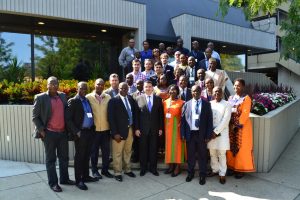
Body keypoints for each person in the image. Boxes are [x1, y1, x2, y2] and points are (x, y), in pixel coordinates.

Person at [32, 76, 75, 192]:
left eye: (56, 84)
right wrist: (42, 131)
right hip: (49, 134)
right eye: (51, 83)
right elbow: (35, 117)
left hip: (62, 133)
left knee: (64, 158)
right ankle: (53, 183)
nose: (54, 86)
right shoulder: (40, 98)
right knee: (51, 160)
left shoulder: (62, 96)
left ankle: (64, 179)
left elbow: (66, 112)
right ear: (47, 85)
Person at [66, 82, 98, 191]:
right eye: (82, 88)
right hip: (80, 134)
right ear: (77, 89)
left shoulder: (87, 100)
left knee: (87, 155)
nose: (84, 90)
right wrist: (76, 132)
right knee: (80, 157)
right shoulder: (73, 101)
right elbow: (68, 120)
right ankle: (79, 180)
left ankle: (86, 176)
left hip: (89, 132)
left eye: (86, 89)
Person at [181, 85, 213, 185]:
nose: (196, 93)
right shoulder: (186, 104)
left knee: (202, 156)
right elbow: (183, 121)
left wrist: (208, 135)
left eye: (198, 91)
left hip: (201, 135)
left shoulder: (207, 104)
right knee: (190, 156)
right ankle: (190, 173)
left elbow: (209, 121)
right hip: (190, 134)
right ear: (191, 92)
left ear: (201, 92)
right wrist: (183, 134)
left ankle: (202, 175)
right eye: (194, 91)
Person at [108, 82, 137, 182]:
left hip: (130, 129)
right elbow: (111, 118)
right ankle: (117, 172)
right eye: (121, 88)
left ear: (128, 89)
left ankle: (127, 169)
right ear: (118, 89)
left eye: (125, 88)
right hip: (118, 132)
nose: (124, 90)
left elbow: (134, 113)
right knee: (117, 153)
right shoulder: (113, 101)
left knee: (128, 151)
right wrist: (115, 133)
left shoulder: (130, 99)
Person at [227, 78, 255, 178]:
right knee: (231, 147)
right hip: (231, 126)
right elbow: (227, 111)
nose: (236, 87)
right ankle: (231, 166)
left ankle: (240, 169)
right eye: (235, 85)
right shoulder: (231, 98)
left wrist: (237, 125)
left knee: (241, 148)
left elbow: (245, 114)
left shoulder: (246, 98)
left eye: (238, 85)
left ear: (243, 87)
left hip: (242, 128)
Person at [135, 81, 164, 176]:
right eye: (146, 87)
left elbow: (160, 115)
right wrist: (137, 128)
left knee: (153, 149)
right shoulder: (138, 98)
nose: (148, 88)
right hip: (142, 130)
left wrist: (160, 128)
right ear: (143, 88)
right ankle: (143, 168)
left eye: (150, 86)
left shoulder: (158, 99)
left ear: (152, 88)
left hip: (155, 129)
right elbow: (137, 116)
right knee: (143, 150)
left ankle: (153, 168)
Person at [86, 79, 113, 180]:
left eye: (102, 85)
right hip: (94, 130)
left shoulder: (108, 97)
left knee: (106, 152)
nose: (100, 86)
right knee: (94, 152)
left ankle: (105, 170)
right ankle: (94, 170)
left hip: (106, 130)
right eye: (98, 84)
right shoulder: (88, 97)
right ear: (94, 85)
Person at [207, 86, 231, 184]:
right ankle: (215, 170)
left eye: (219, 92)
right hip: (211, 133)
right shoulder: (209, 104)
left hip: (222, 133)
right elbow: (207, 119)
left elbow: (225, 120)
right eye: (215, 92)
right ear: (212, 93)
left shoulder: (227, 104)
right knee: (212, 153)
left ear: (222, 93)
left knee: (221, 154)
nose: (217, 93)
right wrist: (210, 132)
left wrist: (215, 132)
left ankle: (222, 173)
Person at [163, 85, 185, 177]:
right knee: (169, 148)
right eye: (171, 90)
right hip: (167, 129)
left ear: (177, 92)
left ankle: (177, 167)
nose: (172, 92)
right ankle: (171, 166)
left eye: (175, 90)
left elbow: (184, 117)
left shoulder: (182, 102)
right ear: (169, 91)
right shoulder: (165, 102)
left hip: (177, 129)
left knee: (178, 147)